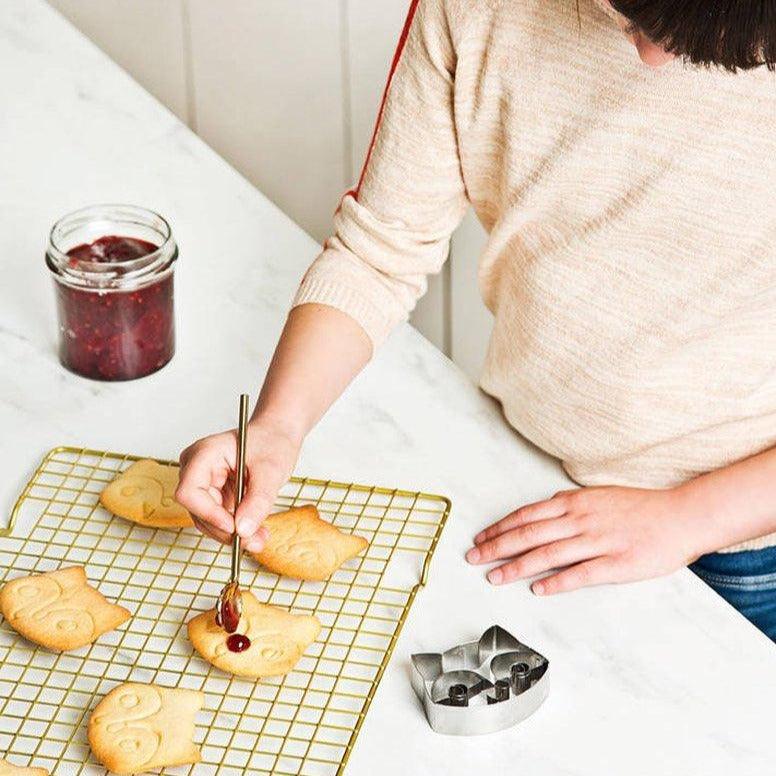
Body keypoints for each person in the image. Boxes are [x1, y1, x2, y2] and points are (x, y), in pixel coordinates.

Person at [175, 0, 776, 639]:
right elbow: (379, 252)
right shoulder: (477, 10)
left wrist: (689, 517)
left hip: (747, 547)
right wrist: (277, 428)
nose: (652, 56)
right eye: (633, 13)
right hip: (525, 484)